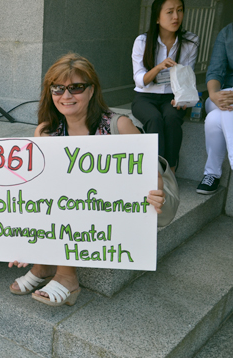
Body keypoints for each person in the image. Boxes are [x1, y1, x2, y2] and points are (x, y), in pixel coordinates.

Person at [9, 53, 172, 306]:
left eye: (76, 87)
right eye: (58, 88)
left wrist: (156, 192)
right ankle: (43, 265)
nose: (66, 96)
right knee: (54, 196)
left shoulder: (119, 126)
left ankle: (67, 277)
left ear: (92, 90)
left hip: (113, 207)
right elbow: (41, 186)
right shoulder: (46, 131)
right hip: (77, 204)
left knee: (72, 199)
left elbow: (151, 176)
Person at [131, 0, 198, 173]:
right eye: (170, 12)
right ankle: (157, 171)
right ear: (157, 18)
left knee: (171, 118)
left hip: (173, 96)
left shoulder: (190, 42)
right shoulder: (142, 41)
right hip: (145, 96)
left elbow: (187, 78)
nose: (176, 16)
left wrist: (182, 100)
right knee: (154, 119)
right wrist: (159, 67)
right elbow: (139, 80)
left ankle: (171, 170)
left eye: (180, 10)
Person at [196, 22, 233, 194]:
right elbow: (215, 71)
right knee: (227, 103)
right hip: (223, 95)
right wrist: (213, 93)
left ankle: (211, 173)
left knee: (213, 120)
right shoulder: (227, 32)